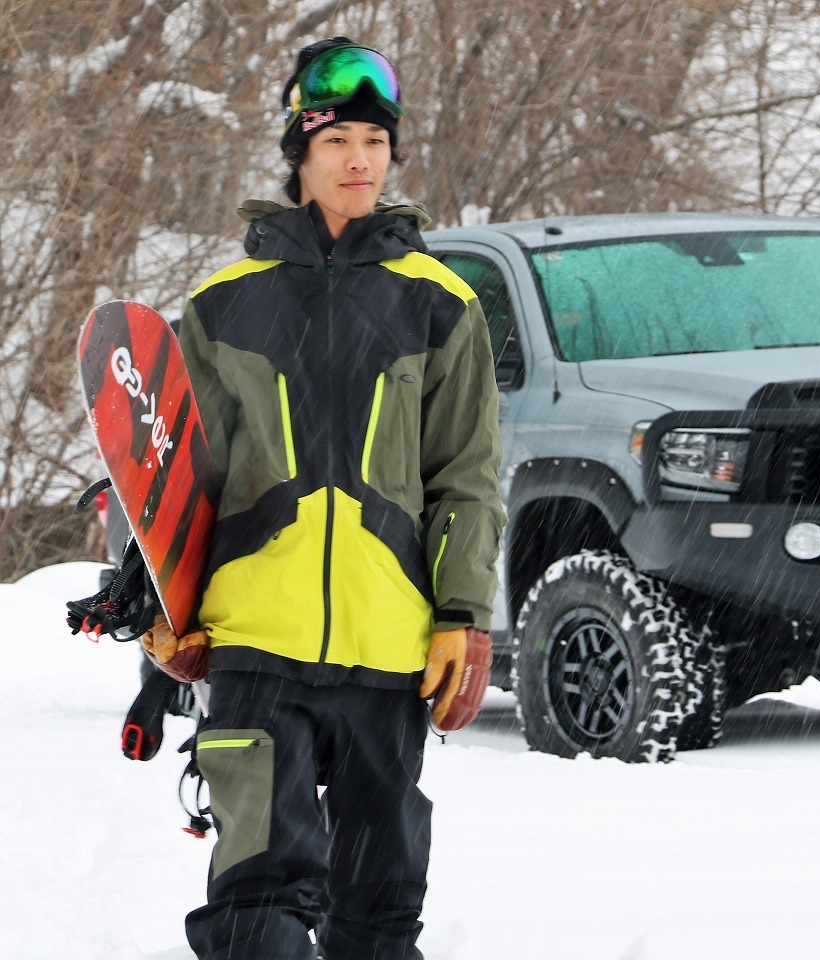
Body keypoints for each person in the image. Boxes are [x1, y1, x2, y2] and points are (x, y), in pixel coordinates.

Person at [166, 37, 504, 960]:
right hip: (253, 647)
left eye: (376, 141)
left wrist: (461, 614)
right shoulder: (224, 304)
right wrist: (166, 606)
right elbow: (175, 478)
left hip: (388, 647)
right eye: (338, 140)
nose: (359, 159)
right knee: (252, 911)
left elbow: (465, 474)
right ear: (299, 155)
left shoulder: (436, 302)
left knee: (377, 914)